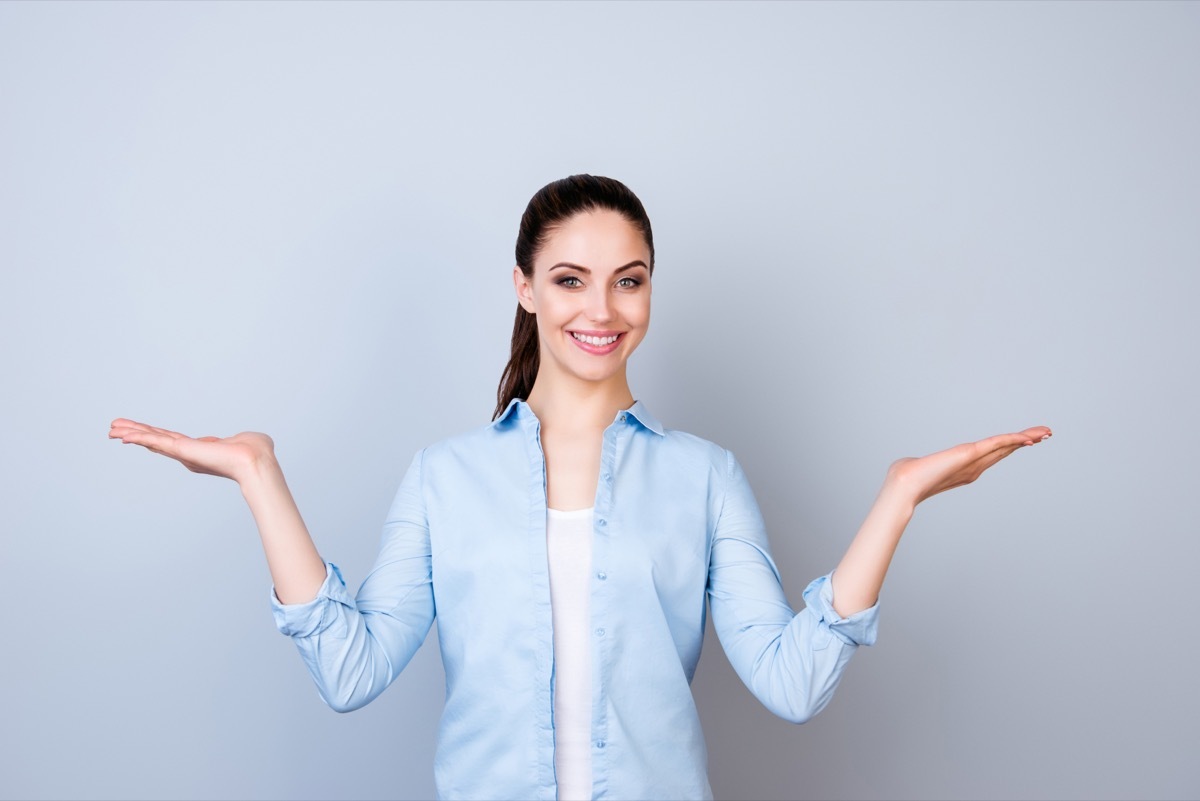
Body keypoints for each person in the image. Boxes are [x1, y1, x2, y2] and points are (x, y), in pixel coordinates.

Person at [108, 174, 1051, 801]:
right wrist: (258, 475)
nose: (601, 309)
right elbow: (351, 672)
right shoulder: (446, 477)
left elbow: (793, 681)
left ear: (650, 292)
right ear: (525, 287)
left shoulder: (704, 475)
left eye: (628, 281)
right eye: (570, 279)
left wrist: (899, 496)